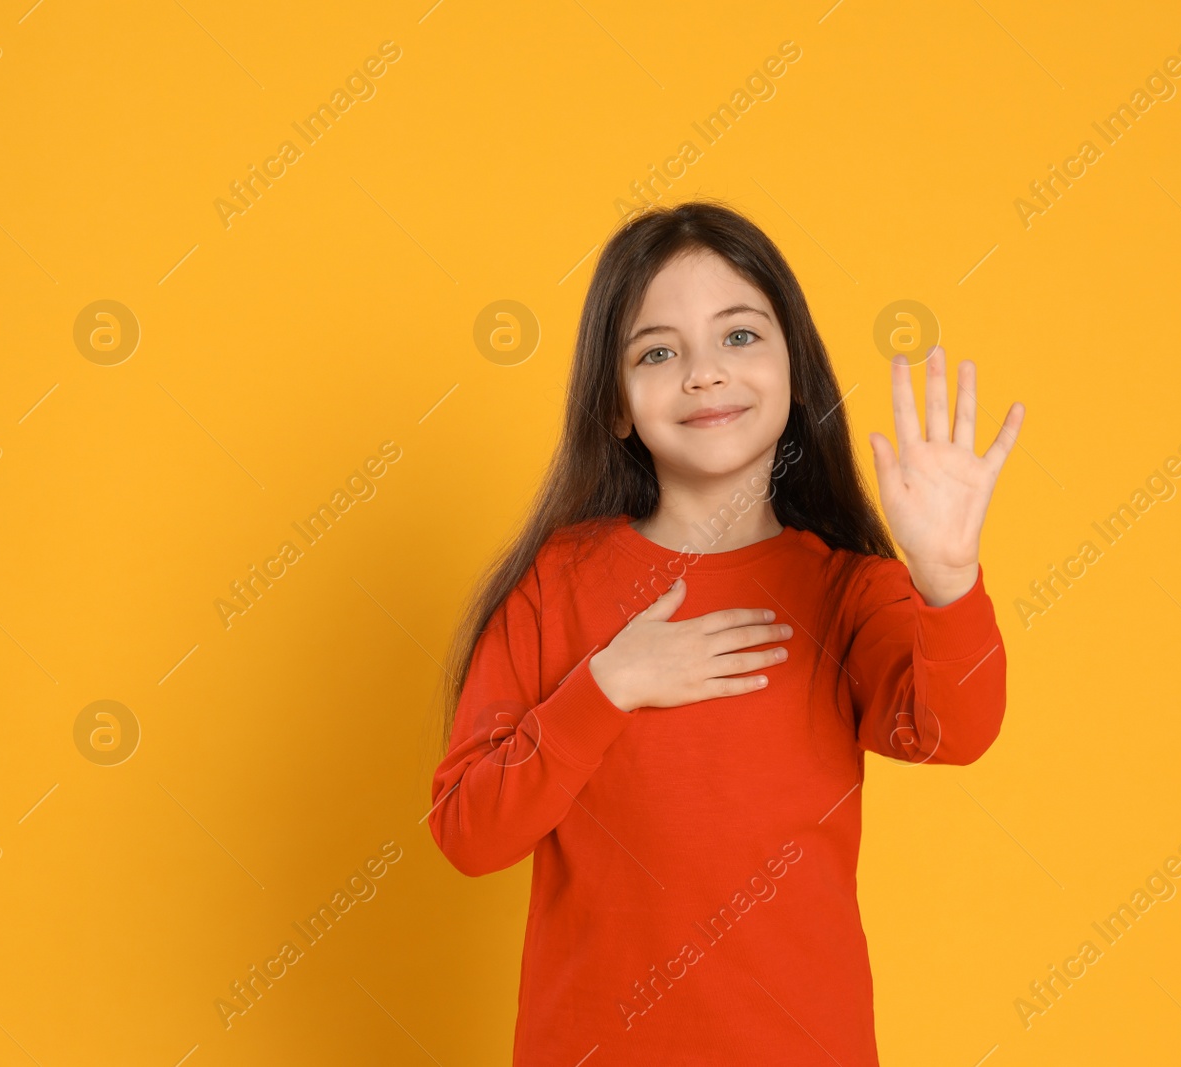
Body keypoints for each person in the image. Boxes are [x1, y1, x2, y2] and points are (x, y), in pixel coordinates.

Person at [427, 199, 1023, 1065]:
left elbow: (956, 732)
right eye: (659, 352)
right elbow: (468, 833)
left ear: (795, 371)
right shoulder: (558, 584)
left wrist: (947, 582)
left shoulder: (849, 590)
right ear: (618, 405)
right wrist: (607, 684)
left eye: (740, 336)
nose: (704, 373)